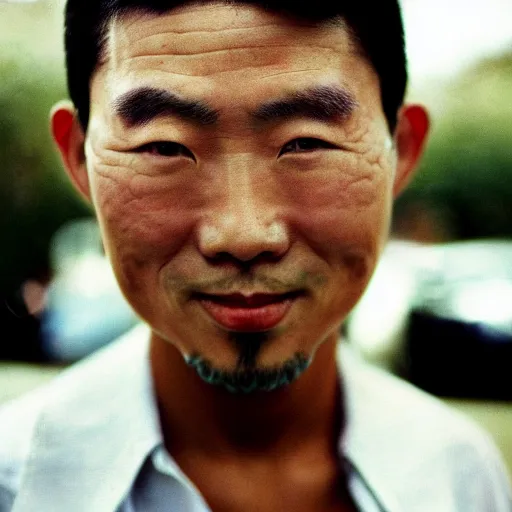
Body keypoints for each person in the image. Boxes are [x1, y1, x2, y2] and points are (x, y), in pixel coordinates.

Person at [0, 0, 510, 510]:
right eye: (164, 147)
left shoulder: (459, 480)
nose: (242, 235)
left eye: (307, 143)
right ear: (79, 159)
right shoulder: (16, 483)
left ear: (399, 149)